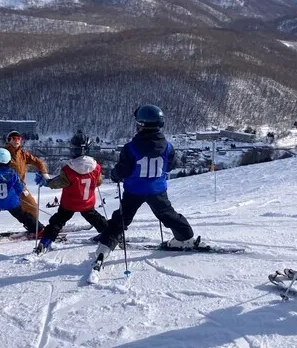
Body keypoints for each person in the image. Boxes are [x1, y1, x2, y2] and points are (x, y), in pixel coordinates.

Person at [93, 104, 206, 270]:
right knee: (167, 214)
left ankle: (105, 248)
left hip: (134, 191)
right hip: (157, 189)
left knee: (121, 219)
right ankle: (185, 237)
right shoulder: (167, 147)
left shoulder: (130, 148)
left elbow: (123, 170)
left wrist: (115, 175)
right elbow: (170, 166)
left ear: (141, 124)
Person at [33, 131, 108, 254]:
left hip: (69, 203)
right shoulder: (96, 167)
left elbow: (59, 182)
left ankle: (46, 241)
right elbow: (99, 182)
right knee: (96, 219)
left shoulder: (69, 170)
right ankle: (109, 235)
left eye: (73, 149)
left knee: (57, 221)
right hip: (87, 203)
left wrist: (46, 182)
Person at [1, 130, 48, 234]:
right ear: (9, 140)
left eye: (19, 138)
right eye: (14, 138)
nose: (17, 141)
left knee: (32, 206)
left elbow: (37, 161)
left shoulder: (23, 154)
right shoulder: (3, 153)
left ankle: (35, 228)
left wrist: (43, 172)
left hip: (21, 187)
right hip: (6, 187)